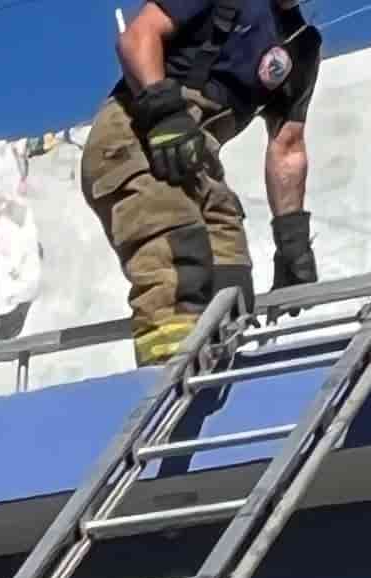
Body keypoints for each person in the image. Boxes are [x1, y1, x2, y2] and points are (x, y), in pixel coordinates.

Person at [84, 0, 325, 363]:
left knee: (232, 285)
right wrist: (164, 113)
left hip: (198, 159)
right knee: (178, 258)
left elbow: (287, 146)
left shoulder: (301, 46)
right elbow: (138, 36)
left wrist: (292, 241)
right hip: (137, 136)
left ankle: (219, 386)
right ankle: (166, 375)